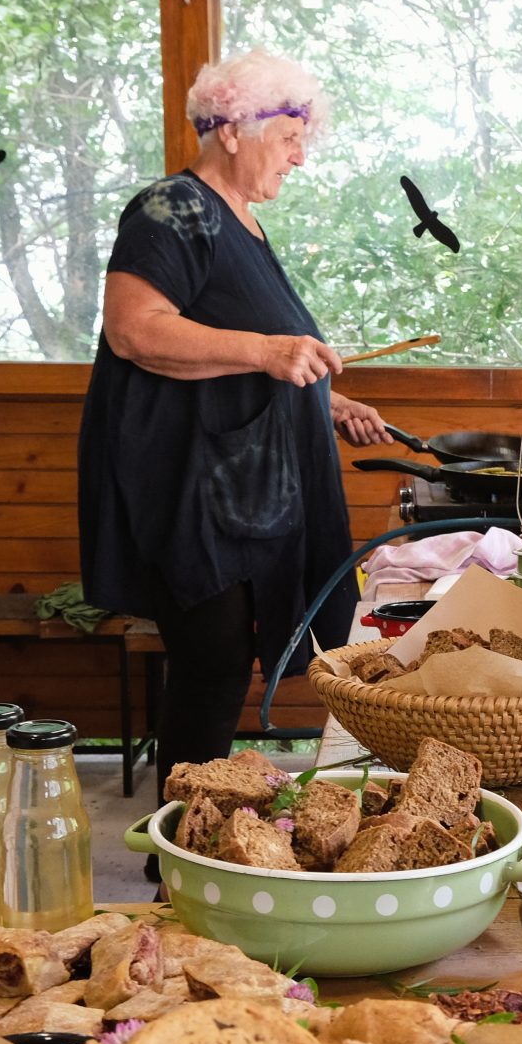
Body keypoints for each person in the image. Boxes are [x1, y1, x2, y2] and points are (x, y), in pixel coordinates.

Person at [79, 48, 394, 776]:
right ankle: (179, 856)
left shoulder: (240, 220)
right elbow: (135, 328)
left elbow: (235, 350)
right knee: (211, 662)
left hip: (241, 490)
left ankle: (194, 834)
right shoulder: (171, 208)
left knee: (220, 662)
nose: (300, 158)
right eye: (290, 138)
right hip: (194, 489)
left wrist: (325, 394)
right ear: (232, 128)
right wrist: (269, 351)